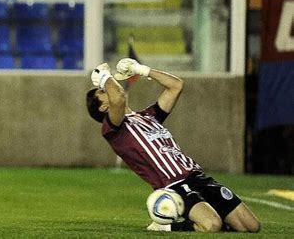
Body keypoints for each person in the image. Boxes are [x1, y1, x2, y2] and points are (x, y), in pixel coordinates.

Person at [86, 58, 260, 233]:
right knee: (211, 225)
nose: (108, 89)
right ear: (104, 108)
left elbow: (176, 85)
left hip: (198, 176)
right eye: (103, 91)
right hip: (174, 185)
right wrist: (105, 77)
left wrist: (141, 70)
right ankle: (165, 226)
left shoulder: (148, 116)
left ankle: (211, 220)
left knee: (251, 226)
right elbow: (119, 97)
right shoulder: (113, 129)